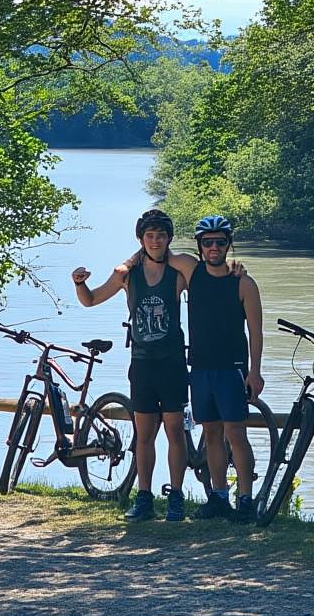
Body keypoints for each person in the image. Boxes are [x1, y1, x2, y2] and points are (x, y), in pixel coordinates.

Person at [71, 208, 190, 523]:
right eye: (149, 236)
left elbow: (209, 282)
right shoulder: (127, 275)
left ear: (169, 239)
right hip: (142, 363)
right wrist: (79, 283)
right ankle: (145, 497)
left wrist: (232, 268)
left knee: (176, 430)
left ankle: (176, 498)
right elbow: (92, 299)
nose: (155, 241)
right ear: (141, 239)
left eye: (161, 236)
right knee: (144, 434)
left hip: (173, 362)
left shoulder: (178, 274)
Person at [180, 214, 265, 523]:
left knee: (236, 435)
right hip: (200, 367)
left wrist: (255, 372)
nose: (214, 247)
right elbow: (152, 253)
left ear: (229, 244)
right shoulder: (191, 272)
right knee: (211, 434)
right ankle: (219, 497)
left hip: (232, 369)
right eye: (207, 242)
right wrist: (124, 268)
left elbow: (256, 331)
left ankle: (246, 500)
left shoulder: (243, 282)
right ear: (199, 246)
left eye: (220, 242)